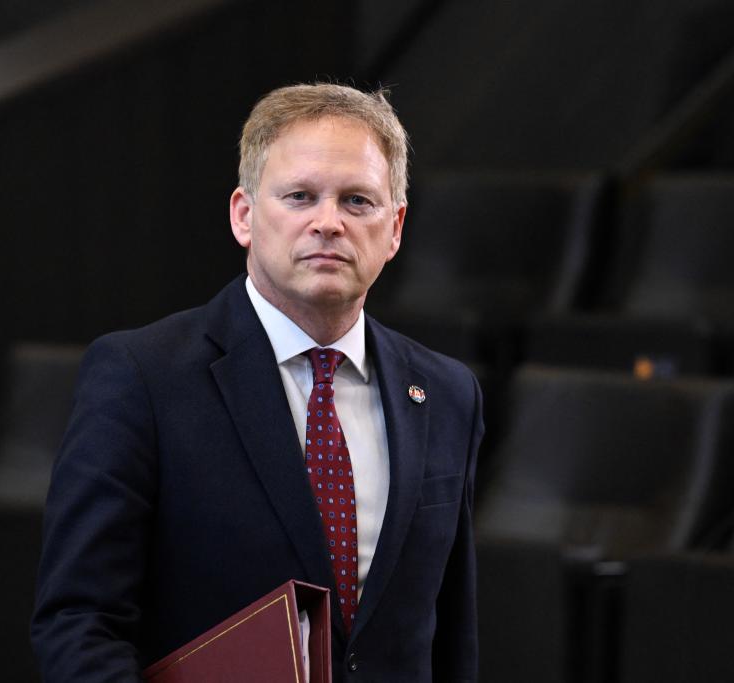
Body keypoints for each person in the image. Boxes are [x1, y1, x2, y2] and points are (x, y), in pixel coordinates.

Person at [31, 83, 484, 682]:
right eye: (300, 197)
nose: (329, 223)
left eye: (357, 201)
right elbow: (79, 622)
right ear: (244, 215)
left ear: (395, 227)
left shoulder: (448, 393)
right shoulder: (142, 377)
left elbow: (451, 637)